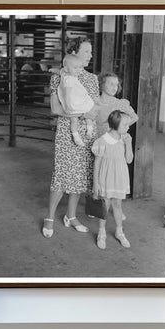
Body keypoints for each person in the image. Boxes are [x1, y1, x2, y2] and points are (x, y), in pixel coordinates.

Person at [42, 38, 99, 238]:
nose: (90, 55)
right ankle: (49, 217)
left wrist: (89, 116)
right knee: (61, 175)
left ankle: (71, 216)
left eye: (91, 52)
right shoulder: (59, 77)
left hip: (88, 134)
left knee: (80, 176)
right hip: (67, 132)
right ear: (73, 52)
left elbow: (95, 108)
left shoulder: (92, 78)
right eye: (86, 51)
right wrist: (81, 114)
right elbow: (55, 109)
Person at [91, 110, 134, 249]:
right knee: (105, 204)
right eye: (125, 124)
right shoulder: (102, 141)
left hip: (119, 176)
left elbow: (129, 160)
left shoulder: (124, 139)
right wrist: (96, 183)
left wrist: (129, 144)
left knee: (117, 205)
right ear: (115, 125)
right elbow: (97, 163)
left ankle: (119, 232)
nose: (128, 127)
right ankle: (101, 232)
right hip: (106, 176)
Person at [57, 54, 100, 147]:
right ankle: (76, 136)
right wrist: (69, 105)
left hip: (78, 98)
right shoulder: (69, 80)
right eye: (75, 68)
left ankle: (89, 130)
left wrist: (54, 70)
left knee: (88, 110)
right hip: (73, 102)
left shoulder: (65, 73)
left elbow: (60, 71)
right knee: (75, 119)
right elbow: (68, 94)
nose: (78, 70)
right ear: (67, 69)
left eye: (80, 68)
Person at [96, 72, 138, 138]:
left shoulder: (120, 103)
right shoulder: (94, 102)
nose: (115, 87)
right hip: (97, 140)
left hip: (115, 141)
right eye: (111, 84)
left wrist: (118, 128)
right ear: (102, 84)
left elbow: (135, 117)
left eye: (116, 85)